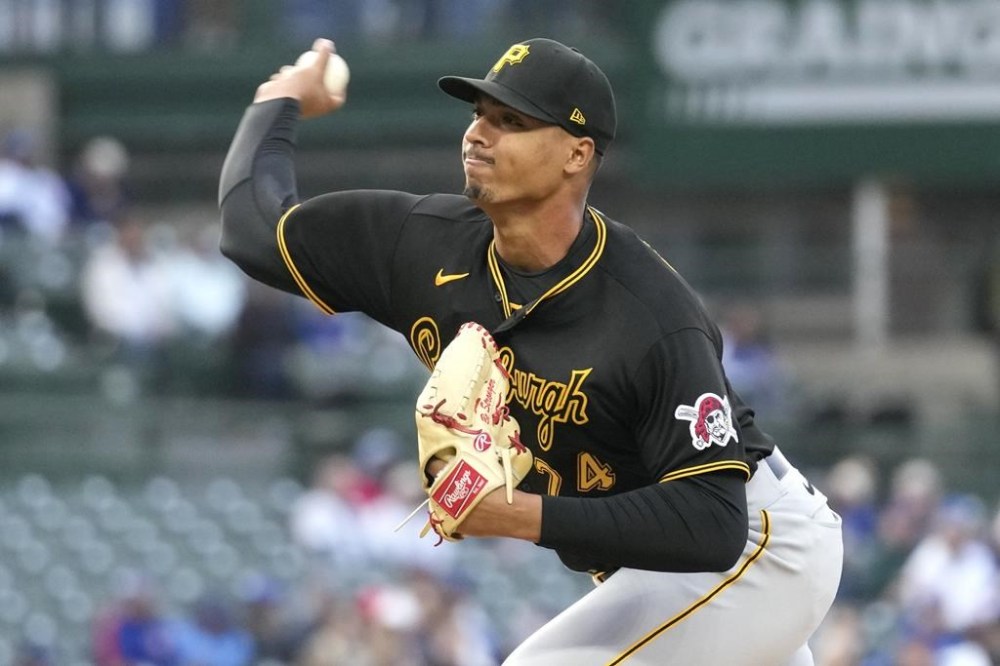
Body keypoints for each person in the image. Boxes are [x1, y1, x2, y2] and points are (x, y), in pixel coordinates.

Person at [219, 36, 843, 664]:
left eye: (511, 121)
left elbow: (711, 524)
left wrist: (513, 514)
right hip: (665, 572)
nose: (479, 134)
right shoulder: (421, 246)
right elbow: (253, 231)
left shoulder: (651, 314)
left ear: (578, 153)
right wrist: (277, 101)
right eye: (478, 114)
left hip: (760, 549)